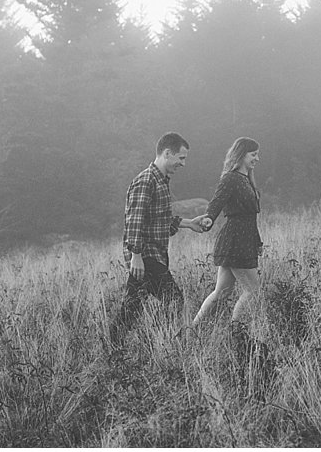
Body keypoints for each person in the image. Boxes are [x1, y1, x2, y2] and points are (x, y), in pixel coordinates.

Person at [109, 132, 207, 347]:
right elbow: (135, 219)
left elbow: (159, 219)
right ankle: (154, 342)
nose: (183, 164)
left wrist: (189, 223)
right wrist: (136, 256)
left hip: (151, 254)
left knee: (132, 305)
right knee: (174, 299)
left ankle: (113, 347)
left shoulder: (161, 181)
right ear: (167, 153)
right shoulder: (146, 181)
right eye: (181, 158)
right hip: (145, 255)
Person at [192, 137, 264, 329]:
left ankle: (192, 330)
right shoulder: (231, 178)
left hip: (245, 240)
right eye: (253, 154)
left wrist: (257, 242)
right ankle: (236, 331)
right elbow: (217, 201)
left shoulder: (247, 180)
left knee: (221, 292)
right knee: (253, 290)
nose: (257, 159)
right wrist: (209, 217)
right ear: (241, 154)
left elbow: (251, 217)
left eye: (257, 154)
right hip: (235, 241)